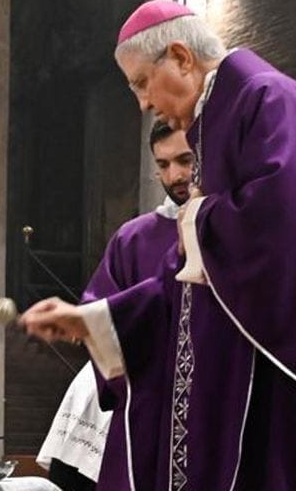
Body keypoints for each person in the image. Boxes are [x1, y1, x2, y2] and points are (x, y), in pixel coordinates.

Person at [21, 0, 296, 490]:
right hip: (259, 370)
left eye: (141, 83)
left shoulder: (266, 98)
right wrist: (98, 320)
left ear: (181, 57)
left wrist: (196, 216)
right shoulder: (223, 119)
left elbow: (286, 219)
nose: (143, 104)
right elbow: (189, 276)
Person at [37, 122, 192, 490]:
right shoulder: (134, 238)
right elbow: (99, 309)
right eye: (164, 164)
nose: (175, 175)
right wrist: (83, 323)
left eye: (186, 160)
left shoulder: (232, 227)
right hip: (141, 400)